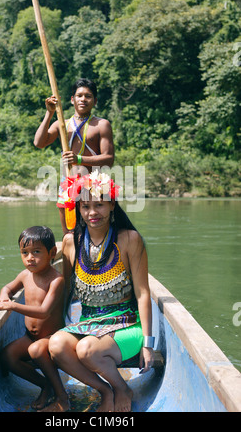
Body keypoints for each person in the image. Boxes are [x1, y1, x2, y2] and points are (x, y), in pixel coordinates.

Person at [48, 171, 154, 412]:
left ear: (112, 205)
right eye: (85, 206)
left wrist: (148, 344)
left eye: (99, 205)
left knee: (86, 349)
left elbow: (143, 294)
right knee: (55, 345)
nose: (92, 213)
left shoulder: (130, 239)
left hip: (125, 324)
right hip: (87, 323)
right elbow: (65, 292)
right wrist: (56, 327)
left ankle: (121, 388)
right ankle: (105, 390)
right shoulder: (70, 242)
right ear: (79, 209)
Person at [0, 226, 69, 412]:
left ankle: (61, 395)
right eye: (24, 252)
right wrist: (4, 297)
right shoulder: (25, 275)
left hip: (53, 337)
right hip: (30, 336)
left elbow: (44, 312)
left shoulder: (56, 280)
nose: (29, 257)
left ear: (52, 253)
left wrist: (12, 306)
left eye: (36, 252)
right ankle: (45, 385)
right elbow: (7, 288)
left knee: (37, 351)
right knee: (7, 356)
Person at [34, 78, 114, 234]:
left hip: (93, 187)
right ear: (72, 100)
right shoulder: (62, 124)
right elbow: (39, 142)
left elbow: (108, 159)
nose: (83, 99)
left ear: (95, 101)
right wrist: (50, 113)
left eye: (88, 96)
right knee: (69, 234)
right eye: (79, 95)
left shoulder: (102, 125)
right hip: (68, 185)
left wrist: (79, 159)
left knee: (96, 234)